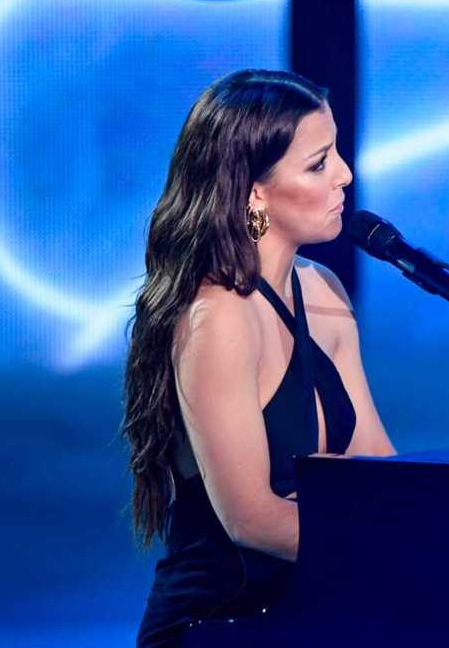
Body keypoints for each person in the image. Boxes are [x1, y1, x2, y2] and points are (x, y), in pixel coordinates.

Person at [122, 69, 395, 647]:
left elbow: (376, 466)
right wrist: (394, 545)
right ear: (255, 193)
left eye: (337, 153)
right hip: (220, 622)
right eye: (319, 163)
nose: (346, 174)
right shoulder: (216, 318)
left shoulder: (322, 291)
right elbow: (251, 518)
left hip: (310, 608)